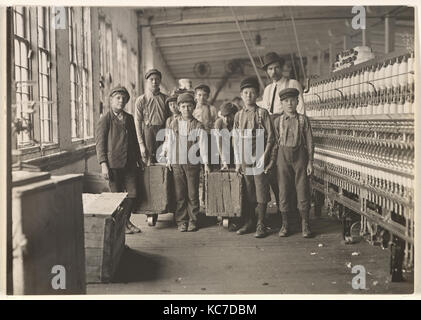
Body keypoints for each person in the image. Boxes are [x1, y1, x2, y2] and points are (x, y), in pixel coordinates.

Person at [233, 76, 276, 238]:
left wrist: (264, 157)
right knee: (249, 190)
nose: (248, 95)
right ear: (241, 95)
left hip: (259, 156)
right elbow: (235, 140)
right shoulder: (238, 115)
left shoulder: (262, 113)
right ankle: (249, 221)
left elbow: (271, 138)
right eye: (245, 92)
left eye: (252, 92)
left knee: (261, 190)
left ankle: (261, 223)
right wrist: (237, 161)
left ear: (257, 95)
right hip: (244, 158)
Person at [95, 86, 142, 234]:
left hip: (129, 163)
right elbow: (100, 144)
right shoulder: (105, 120)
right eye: (118, 98)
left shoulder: (129, 118)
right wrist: (103, 165)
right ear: (111, 100)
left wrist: (139, 159)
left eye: (124, 98)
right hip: (113, 165)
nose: (121, 101)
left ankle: (125, 221)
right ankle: (123, 225)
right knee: (116, 197)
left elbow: (134, 141)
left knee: (133, 194)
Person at [272, 88, 314, 238]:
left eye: (292, 100)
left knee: (302, 190)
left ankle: (305, 224)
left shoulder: (303, 120)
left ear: (297, 102)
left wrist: (310, 162)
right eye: (286, 101)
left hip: (300, 158)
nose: (289, 103)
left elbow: (309, 142)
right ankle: (285, 225)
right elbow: (274, 143)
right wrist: (273, 163)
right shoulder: (277, 121)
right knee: (283, 191)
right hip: (282, 158)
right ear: (282, 104)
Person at [166, 93, 211, 232]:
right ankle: (181, 220)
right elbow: (169, 143)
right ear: (179, 108)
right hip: (177, 163)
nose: (186, 109)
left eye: (189, 106)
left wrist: (206, 163)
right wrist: (168, 159)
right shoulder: (174, 124)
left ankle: (193, 220)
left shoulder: (198, 125)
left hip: (193, 164)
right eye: (183, 106)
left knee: (192, 193)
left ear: (194, 107)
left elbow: (203, 146)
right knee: (180, 194)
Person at [134, 68, 169, 166]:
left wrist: (168, 140)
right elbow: (137, 122)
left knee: (163, 163)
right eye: (151, 79)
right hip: (148, 135)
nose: (154, 82)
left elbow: (170, 121)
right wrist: (141, 144)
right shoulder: (141, 100)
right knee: (148, 163)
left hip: (163, 133)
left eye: (157, 79)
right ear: (147, 81)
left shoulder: (166, 99)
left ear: (160, 81)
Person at [213, 101, 237, 170]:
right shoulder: (219, 123)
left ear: (234, 115)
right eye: (224, 116)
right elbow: (219, 144)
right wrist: (224, 161)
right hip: (221, 148)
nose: (226, 119)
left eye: (229, 116)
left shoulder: (238, 122)